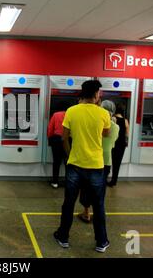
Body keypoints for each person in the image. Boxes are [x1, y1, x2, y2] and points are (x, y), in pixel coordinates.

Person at [53, 80, 111, 253]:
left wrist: (70, 154)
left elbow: (64, 138)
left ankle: (63, 237)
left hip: (75, 164)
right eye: (99, 92)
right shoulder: (104, 113)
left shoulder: (71, 111)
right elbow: (105, 134)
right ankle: (101, 241)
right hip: (96, 164)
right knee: (98, 205)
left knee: (68, 203)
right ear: (95, 94)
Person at [78, 100, 119, 223]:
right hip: (107, 161)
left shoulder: (97, 123)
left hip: (93, 159)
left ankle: (86, 213)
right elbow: (113, 142)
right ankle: (99, 213)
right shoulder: (116, 127)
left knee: (86, 186)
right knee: (100, 188)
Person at [47, 102, 68, 188]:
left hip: (57, 140)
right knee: (68, 162)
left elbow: (50, 128)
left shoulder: (55, 115)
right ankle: (68, 182)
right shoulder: (70, 114)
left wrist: (49, 139)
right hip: (68, 140)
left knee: (56, 162)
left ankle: (55, 182)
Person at [108, 103, 129, 187]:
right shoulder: (125, 120)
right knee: (117, 163)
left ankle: (105, 178)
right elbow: (127, 134)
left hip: (113, 143)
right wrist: (126, 143)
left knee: (109, 162)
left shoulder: (113, 118)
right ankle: (114, 181)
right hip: (122, 144)